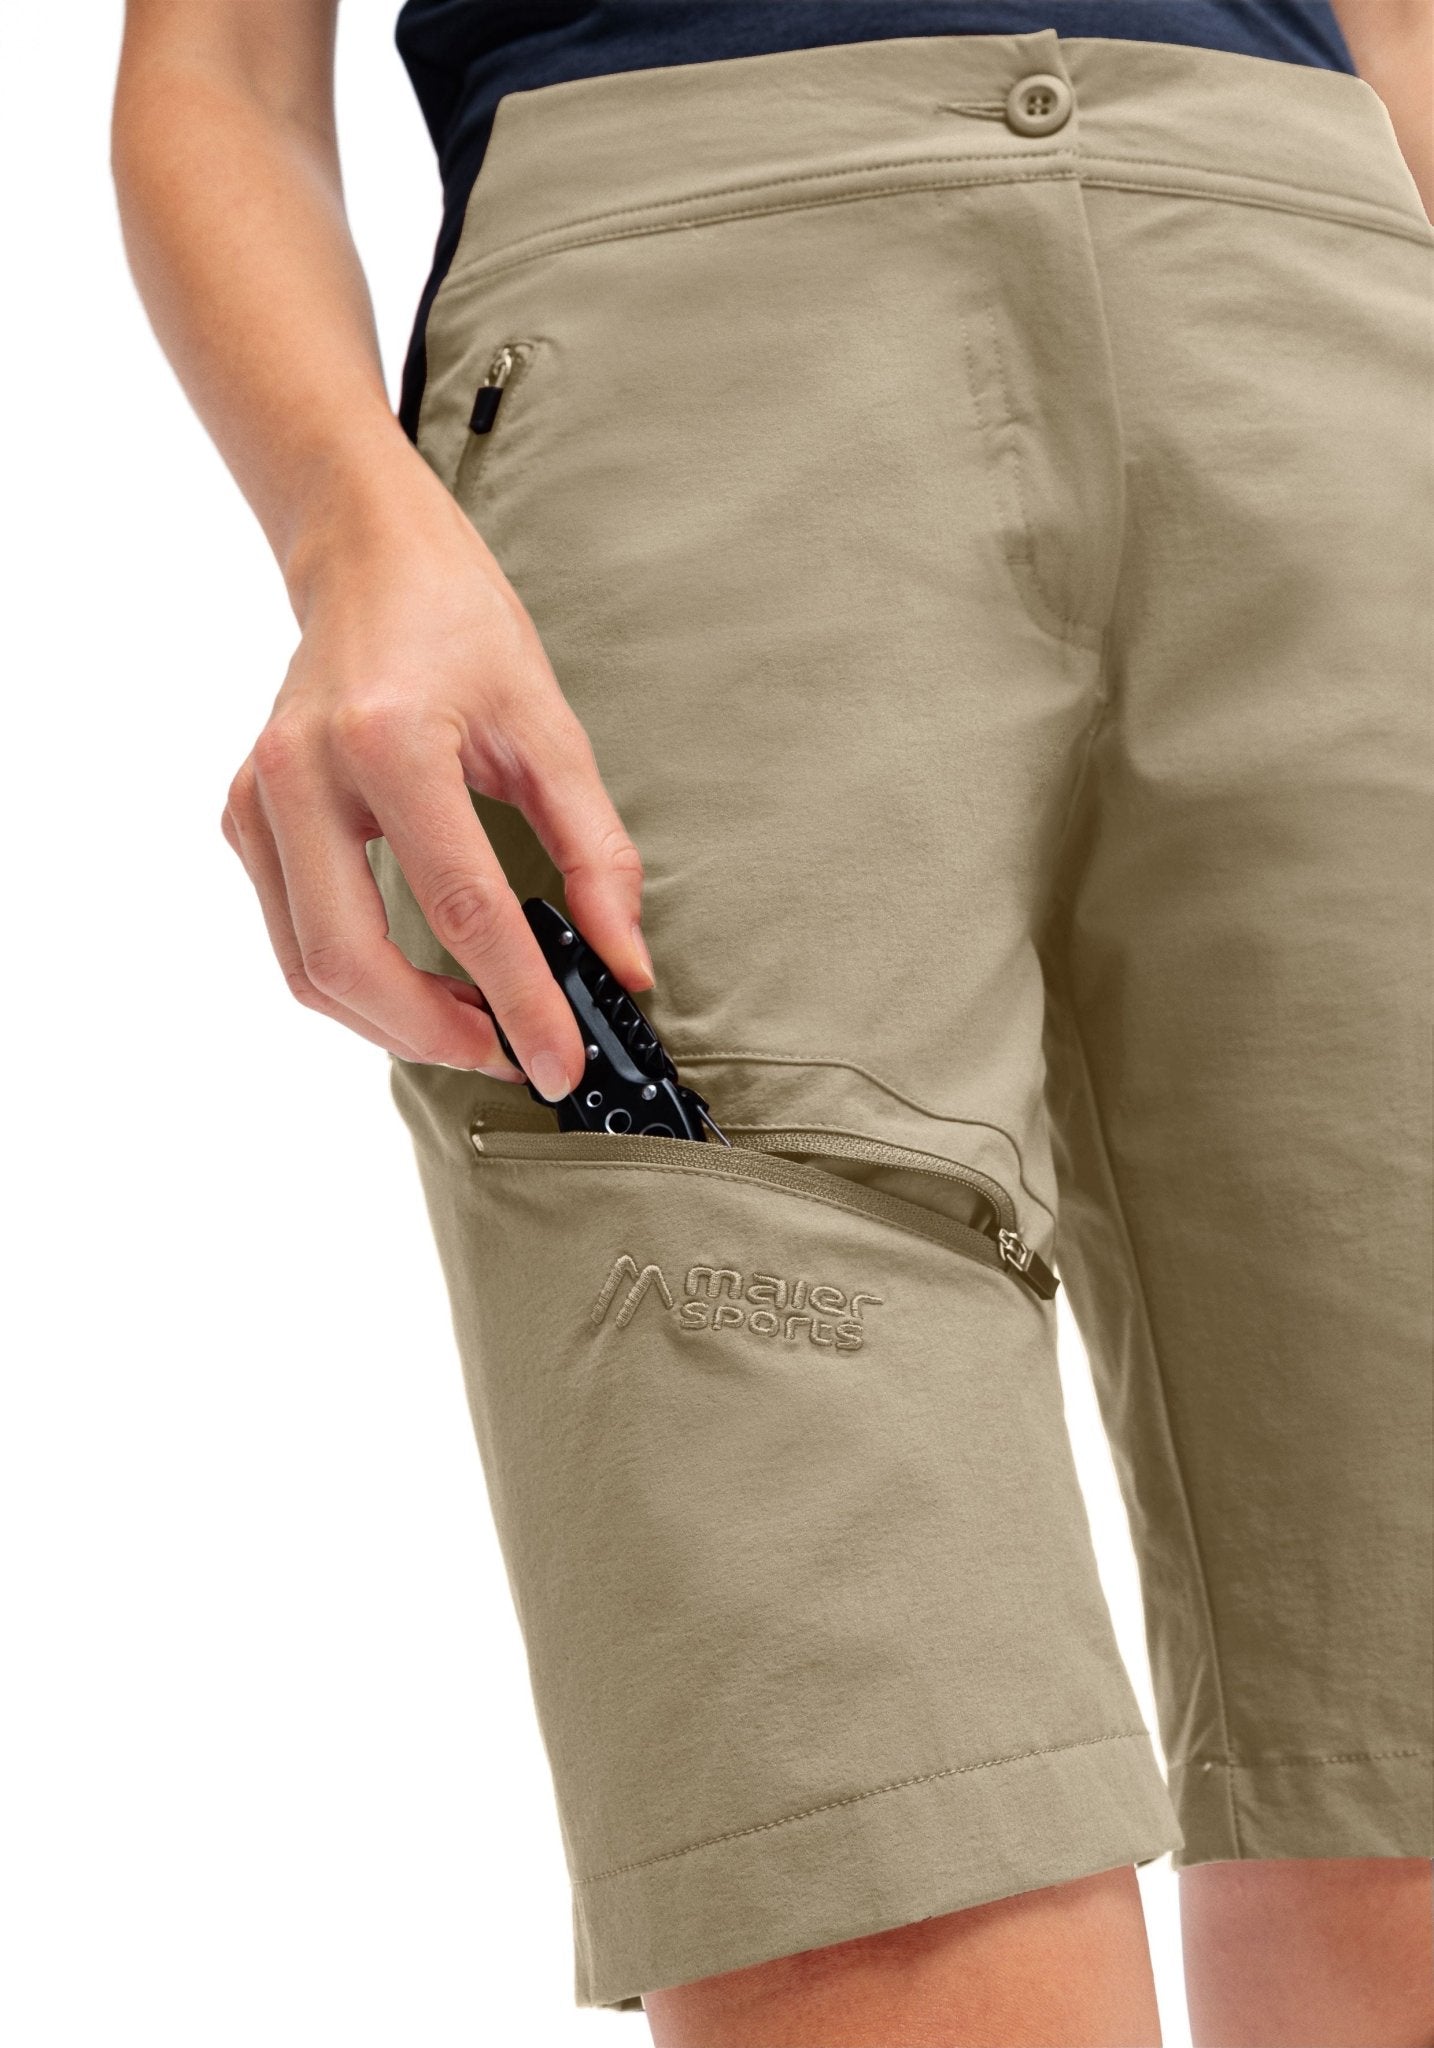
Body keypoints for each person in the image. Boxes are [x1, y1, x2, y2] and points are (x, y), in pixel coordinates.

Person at [112, 2, 1433, 2041]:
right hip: (693, 388)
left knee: (1404, 1753)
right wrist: (353, 532)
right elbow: (220, 72)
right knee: (872, 1838)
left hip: (1338, 328)